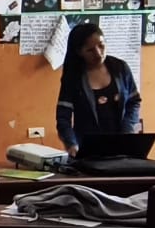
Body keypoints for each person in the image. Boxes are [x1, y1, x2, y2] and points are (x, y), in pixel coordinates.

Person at [55, 22, 142, 157]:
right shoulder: (73, 77)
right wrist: (71, 144)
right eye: (90, 50)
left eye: (101, 45)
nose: (98, 53)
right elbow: (63, 118)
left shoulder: (120, 68)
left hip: (121, 147)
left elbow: (134, 102)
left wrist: (128, 131)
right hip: (87, 149)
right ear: (79, 52)